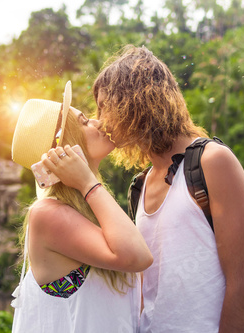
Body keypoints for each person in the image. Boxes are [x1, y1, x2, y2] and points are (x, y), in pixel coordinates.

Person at [93, 46, 244, 332]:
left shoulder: (212, 162)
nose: (100, 119)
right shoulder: (141, 184)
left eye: (106, 105)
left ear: (135, 101)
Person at [10, 81, 153, 333]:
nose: (98, 123)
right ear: (63, 146)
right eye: (85, 122)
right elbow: (138, 257)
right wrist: (87, 182)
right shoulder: (46, 214)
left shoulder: (89, 207)